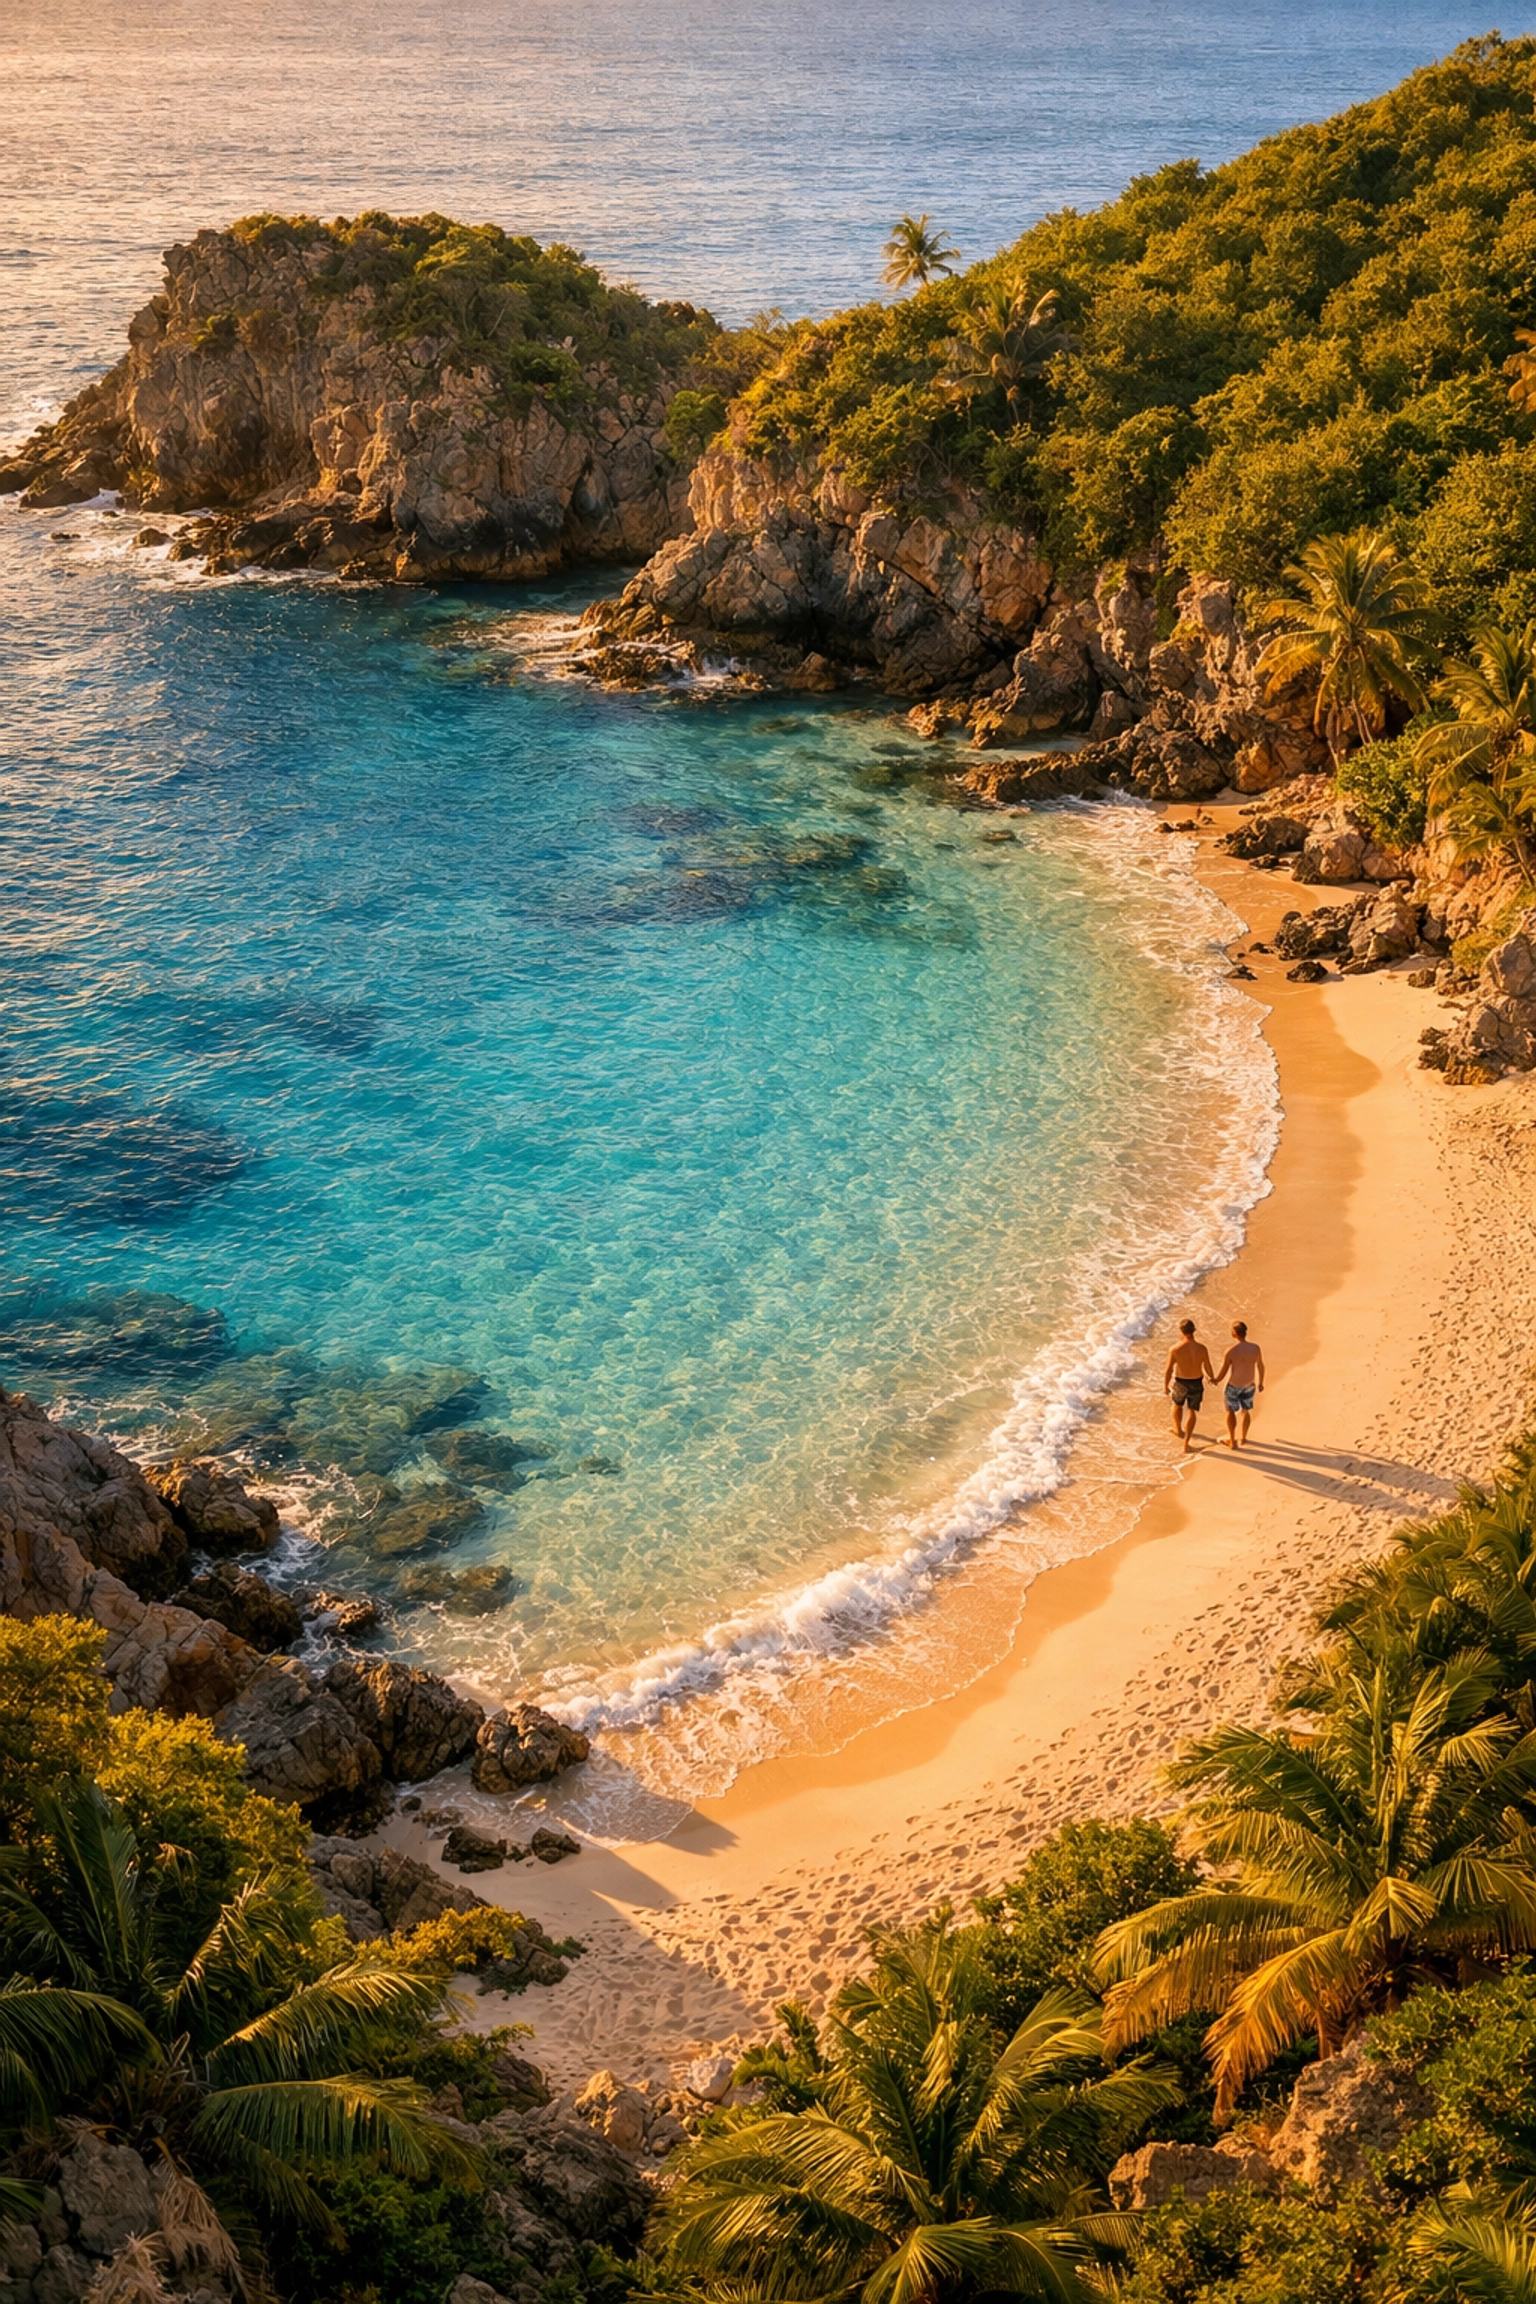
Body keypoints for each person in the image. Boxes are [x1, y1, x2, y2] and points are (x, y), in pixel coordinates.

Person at [1164, 1318, 1215, 1454]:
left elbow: (1168, 1370)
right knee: (1192, 1411)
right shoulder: (1202, 1348)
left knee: (1177, 1405)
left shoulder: (1175, 1349)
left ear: (1181, 1331)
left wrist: (1165, 1386)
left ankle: (1178, 1429)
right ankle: (1186, 1443)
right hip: (1196, 1381)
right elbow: (1207, 1366)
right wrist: (1212, 1377)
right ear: (1194, 1331)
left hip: (1180, 1381)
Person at [1215, 1321, 1266, 1449]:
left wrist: (1215, 1380)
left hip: (1234, 1385)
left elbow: (1224, 1371)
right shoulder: (1255, 1348)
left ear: (1235, 1333)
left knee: (1230, 1412)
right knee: (1246, 1411)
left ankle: (1232, 1440)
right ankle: (1243, 1437)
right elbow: (1260, 1365)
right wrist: (1261, 1382)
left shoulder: (1231, 1351)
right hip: (1249, 1384)